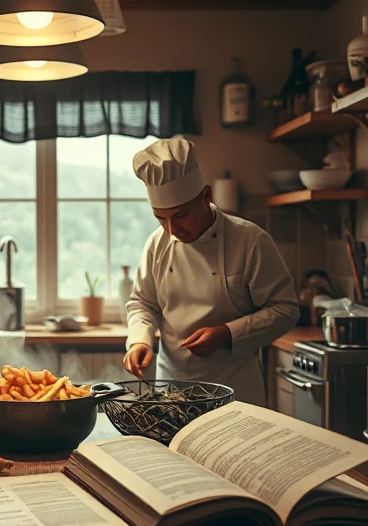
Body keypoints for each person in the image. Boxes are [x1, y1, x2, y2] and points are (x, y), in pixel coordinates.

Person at [123, 137, 299, 406]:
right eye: (161, 217)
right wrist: (139, 341)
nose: (172, 229)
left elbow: (285, 309)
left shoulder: (250, 240)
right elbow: (142, 303)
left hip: (236, 392)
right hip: (172, 393)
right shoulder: (156, 244)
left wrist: (228, 333)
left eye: (181, 216)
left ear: (206, 196)